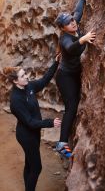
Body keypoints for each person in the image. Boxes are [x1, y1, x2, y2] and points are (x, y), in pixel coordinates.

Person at [3, 55, 61, 191]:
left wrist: (56, 63)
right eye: (23, 76)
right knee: (36, 167)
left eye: (25, 74)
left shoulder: (28, 87)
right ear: (16, 81)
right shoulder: (15, 101)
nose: (27, 76)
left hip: (33, 134)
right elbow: (29, 122)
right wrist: (50, 122)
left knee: (30, 164)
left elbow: (44, 80)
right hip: (26, 136)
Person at [55, 0, 96, 158]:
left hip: (73, 73)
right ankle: (62, 143)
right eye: (69, 22)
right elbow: (71, 48)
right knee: (71, 107)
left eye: (72, 20)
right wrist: (82, 39)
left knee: (75, 103)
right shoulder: (65, 39)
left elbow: (78, 11)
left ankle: (67, 138)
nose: (73, 22)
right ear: (63, 28)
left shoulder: (74, 24)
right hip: (65, 77)